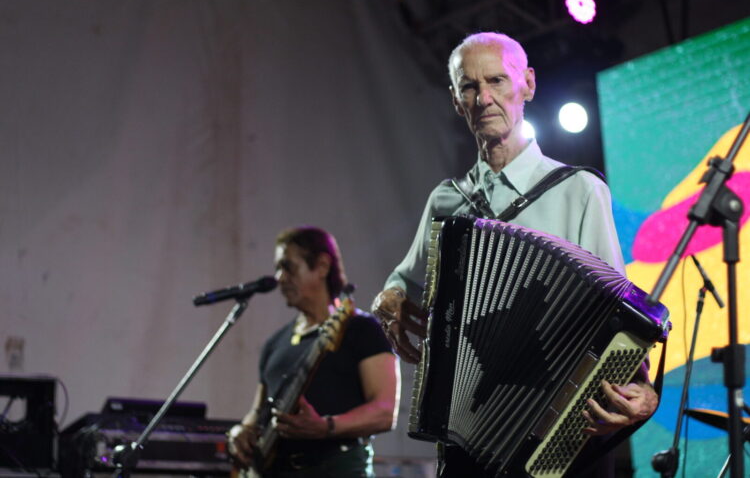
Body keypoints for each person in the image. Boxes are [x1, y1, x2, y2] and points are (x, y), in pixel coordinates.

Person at [371, 32, 658, 477]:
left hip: (557, 434)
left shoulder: (578, 189)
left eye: (497, 81)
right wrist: (387, 296)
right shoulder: (446, 201)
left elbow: (617, 311)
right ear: (455, 100)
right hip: (466, 439)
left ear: (528, 83)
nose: (484, 97)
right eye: (469, 86)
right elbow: (403, 282)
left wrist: (643, 388)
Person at [228, 226, 400, 478]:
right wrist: (240, 432)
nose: (279, 277)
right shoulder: (275, 342)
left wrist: (326, 427)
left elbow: (384, 412)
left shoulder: (362, 329)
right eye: (277, 268)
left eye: (288, 267)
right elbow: (258, 411)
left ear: (321, 266)